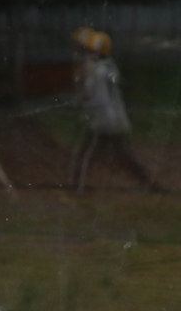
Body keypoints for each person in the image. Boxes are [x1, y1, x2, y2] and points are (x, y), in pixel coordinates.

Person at [67, 26, 160, 192]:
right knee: (125, 156)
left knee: (86, 155)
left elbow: (88, 93)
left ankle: (78, 187)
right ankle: (149, 183)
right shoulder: (108, 66)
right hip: (116, 120)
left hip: (101, 120)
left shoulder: (95, 69)